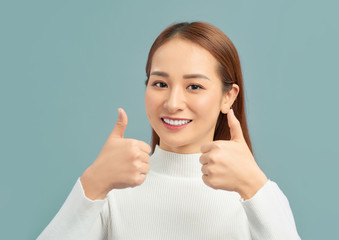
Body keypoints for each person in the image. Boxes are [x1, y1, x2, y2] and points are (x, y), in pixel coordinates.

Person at [37, 21, 301, 239]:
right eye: (160, 83)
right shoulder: (113, 193)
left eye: (194, 86)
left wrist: (254, 186)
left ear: (228, 97)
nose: (172, 104)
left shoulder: (257, 196)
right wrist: (92, 183)